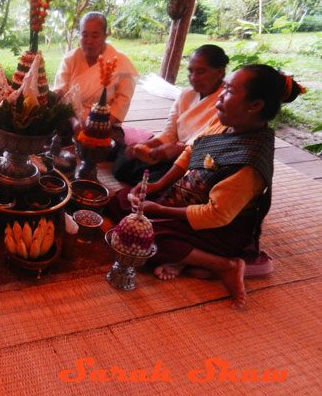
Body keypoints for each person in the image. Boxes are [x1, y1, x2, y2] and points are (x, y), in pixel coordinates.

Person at [109, 64, 305, 309]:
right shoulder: (224, 120)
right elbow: (192, 152)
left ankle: (224, 264)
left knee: (146, 239)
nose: (220, 96)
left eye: (230, 91)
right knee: (121, 200)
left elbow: (215, 214)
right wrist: (157, 185)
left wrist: (157, 210)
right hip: (185, 199)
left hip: (221, 229)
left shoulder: (248, 164)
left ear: (254, 106)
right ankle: (188, 260)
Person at [112, 45, 229, 185]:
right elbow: (169, 133)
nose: (194, 78)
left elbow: (210, 149)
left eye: (200, 72)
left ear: (219, 72)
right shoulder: (186, 95)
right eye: (190, 72)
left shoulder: (226, 104)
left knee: (158, 181)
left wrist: (177, 150)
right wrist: (145, 145)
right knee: (123, 162)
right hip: (170, 151)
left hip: (195, 160)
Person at [52, 12, 139, 147]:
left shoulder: (120, 62)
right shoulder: (71, 59)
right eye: (84, 35)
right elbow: (60, 94)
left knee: (114, 148)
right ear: (79, 35)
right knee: (51, 135)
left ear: (105, 36)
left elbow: (122, 102)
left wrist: (98, 126)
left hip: (104, 124)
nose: (89, 41)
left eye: (95, 36)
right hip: (71, 121)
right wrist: (75, 122)